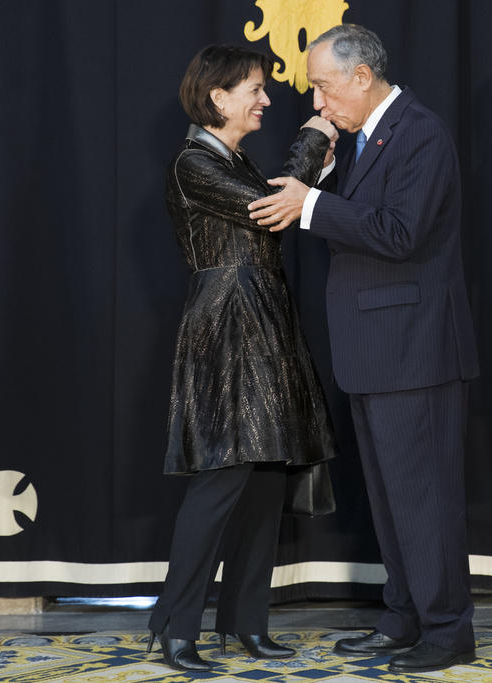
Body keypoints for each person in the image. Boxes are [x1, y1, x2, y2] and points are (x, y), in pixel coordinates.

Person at [248, 24, 479, 674]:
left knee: (424, 500)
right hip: (378, 351)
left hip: (417, 353)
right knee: (392, 499)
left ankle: (445, 630)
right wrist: (325, 181)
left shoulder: (420, 134)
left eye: (322, 87)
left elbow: (400, 233)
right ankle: (404, 617)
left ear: (360, 76)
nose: (318, 104)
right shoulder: (368, 138)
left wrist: (313, 205)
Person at [147, 44, 338, 672]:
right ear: (216, 98)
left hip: (265, 322)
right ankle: (174, 629)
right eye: (254, 89)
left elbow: (281, 202)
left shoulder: (232, 159)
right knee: (221, 482)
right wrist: (312, 145)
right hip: (228, 329)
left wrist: (313, 170)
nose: (266, 99)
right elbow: (268, 212)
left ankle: (245, 624)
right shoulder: (191, 163)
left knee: (264, 481)